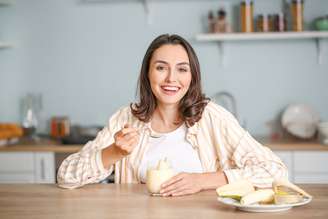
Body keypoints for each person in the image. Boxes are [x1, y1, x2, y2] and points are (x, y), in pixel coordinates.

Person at [57, 34, 287, 196]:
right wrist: (113, 152)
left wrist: (202, 181)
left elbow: (275, 170)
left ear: (192, 76)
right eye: (161, 67)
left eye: (182, 69)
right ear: (147, 74)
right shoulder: (125, 119)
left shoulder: (212, 117)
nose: (171, 79)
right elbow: (66, 176)